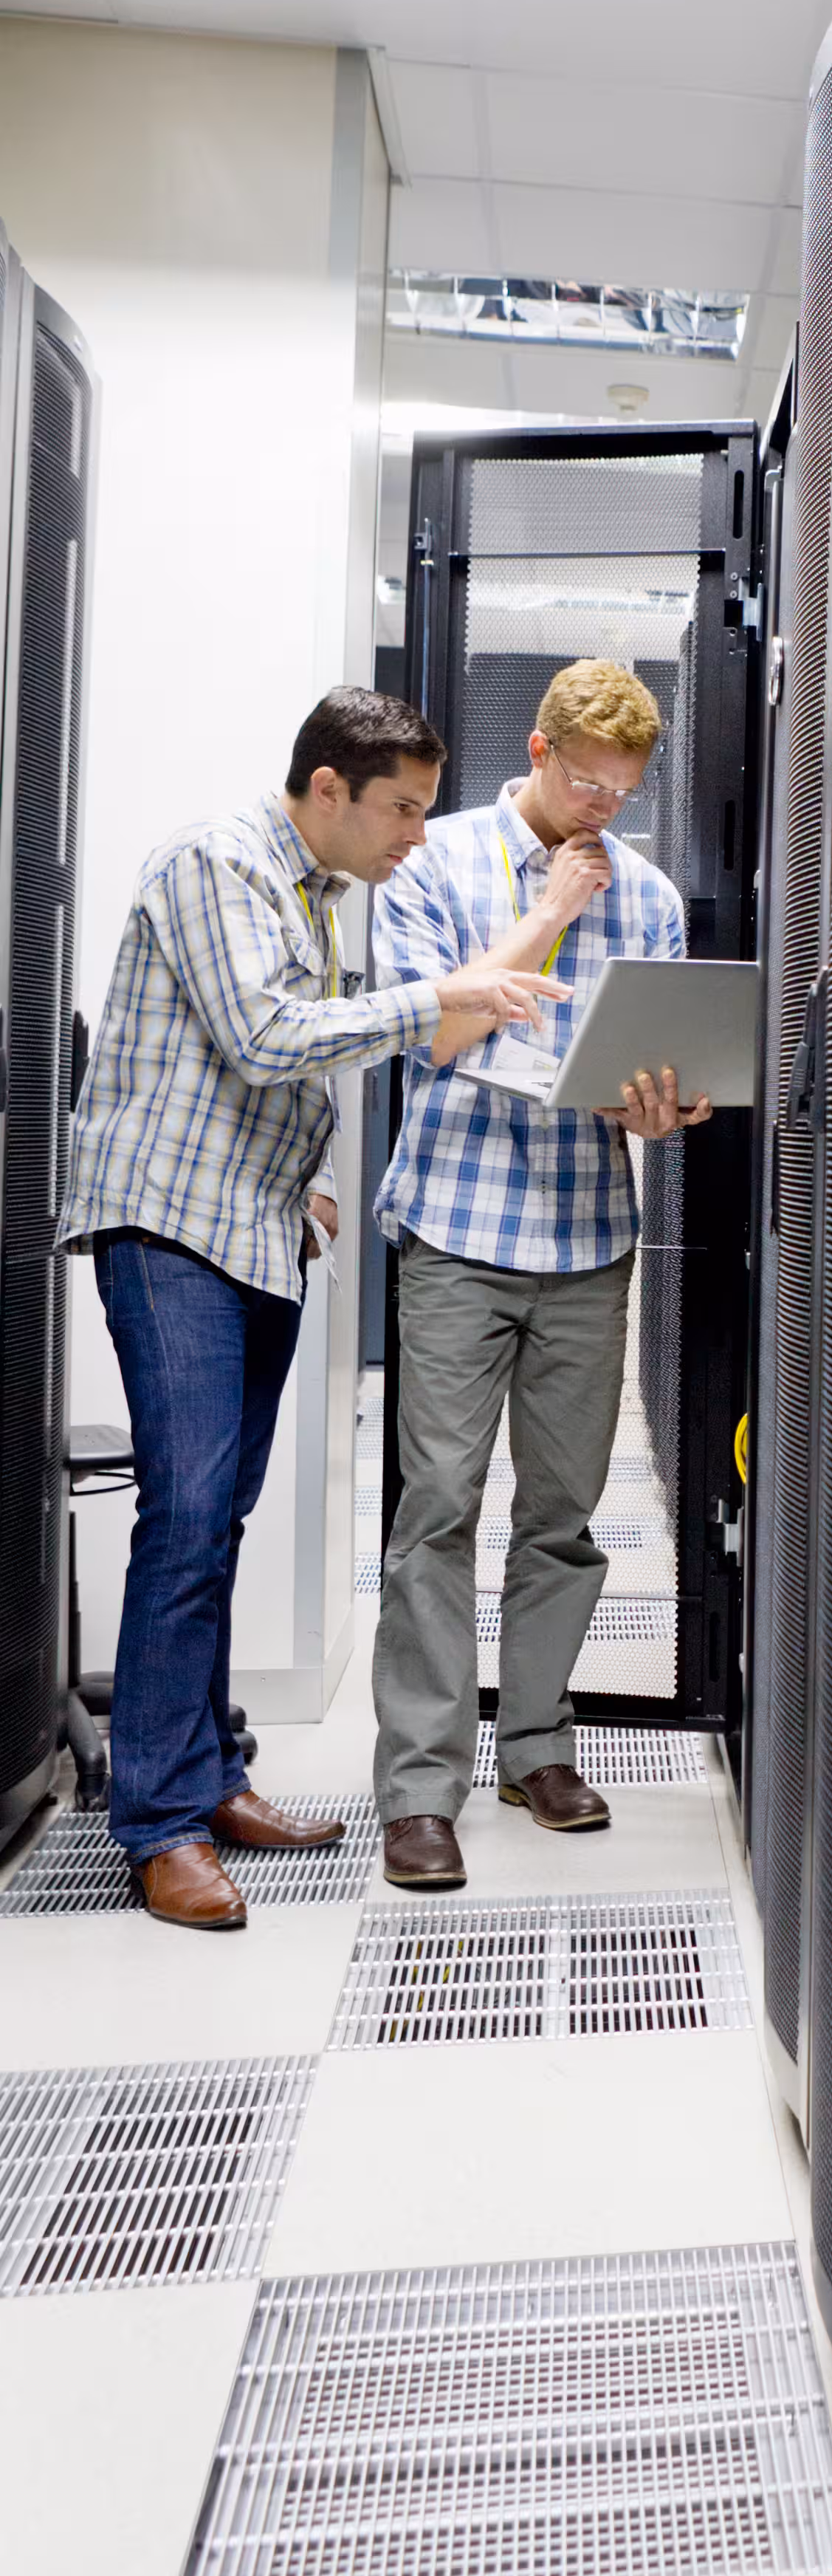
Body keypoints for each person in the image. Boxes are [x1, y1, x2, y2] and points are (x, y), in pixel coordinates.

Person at [58, 687, 563, 1931]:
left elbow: (292, 1063)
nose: (413, 838)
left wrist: (317, 1184)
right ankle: (161, 1825)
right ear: (327, 789)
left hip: (253, 1229)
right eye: (400, 811)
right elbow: (268, 1035)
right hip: (169, 1224)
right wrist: (445, 998)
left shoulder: (325, 896)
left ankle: (209, 1774)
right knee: (184, 1521)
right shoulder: (216, 862)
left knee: (217, 1518)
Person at [368, 658, 710, 1890]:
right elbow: (439, 1030)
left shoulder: (655, 896)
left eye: (620, 793)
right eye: (583, 783)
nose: (599, 812)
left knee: (562, 1519)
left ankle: (538, 1745)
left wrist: (666, 1107)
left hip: (584, 1237)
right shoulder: (436, 861)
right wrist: (556, 904)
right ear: (537, 750)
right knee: (437, 1513)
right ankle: (420, 1786)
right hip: (458, 1231)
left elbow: (649, 1064)